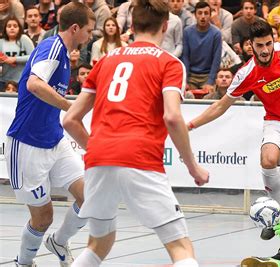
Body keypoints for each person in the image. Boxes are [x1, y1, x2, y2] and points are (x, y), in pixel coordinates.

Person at [62, 0, 209, 266]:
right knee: (180, 246)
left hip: (98, 159)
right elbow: (173, 117)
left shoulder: (105, 60)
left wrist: (97, 147)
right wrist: (193, 167)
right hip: (140, 157)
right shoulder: (169, 63)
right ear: (165, 26)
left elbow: (71, 120)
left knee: (99, 242)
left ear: (132, 25)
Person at [187, 19, 280, 248]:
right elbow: (221, 105)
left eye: (268, 43)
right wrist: (191, 125)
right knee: (268, 161)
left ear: (273, 41)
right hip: (275, 122)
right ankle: (275, 215)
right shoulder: (246, 73)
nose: (265, 50)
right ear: (251, 46)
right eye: (260, 46)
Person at [4, 2, 95, 267]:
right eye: (88, 31)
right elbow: (34, 84)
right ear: (75, 28)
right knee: (43, 218)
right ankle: (24, 263)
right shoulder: (53, 46)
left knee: (90, 199)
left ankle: (58, 241)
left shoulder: (65, 55)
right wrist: (70, 105)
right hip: (27, 144)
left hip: (54, 139)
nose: (90, 36)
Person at [182, 1, 222, 92]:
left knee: (209, 97)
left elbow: (216, 60)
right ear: (195, 15)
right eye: (200, 13)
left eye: (206, 13)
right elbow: (185, 57)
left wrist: (210, 82)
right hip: (191, 75)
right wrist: (185, 80)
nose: (203, 16)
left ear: (210, 15)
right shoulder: (187, 32)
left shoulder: (216, 33)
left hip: (207, 75)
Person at [0, 17, 35, 88]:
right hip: (4, 81)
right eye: (9, 26)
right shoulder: (1, 42)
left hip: (23, 80)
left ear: (19, 28)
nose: (12, 28)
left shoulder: (24, 39)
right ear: (5, 29)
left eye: (15, 26)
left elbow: (33, 56)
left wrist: (15, 59)